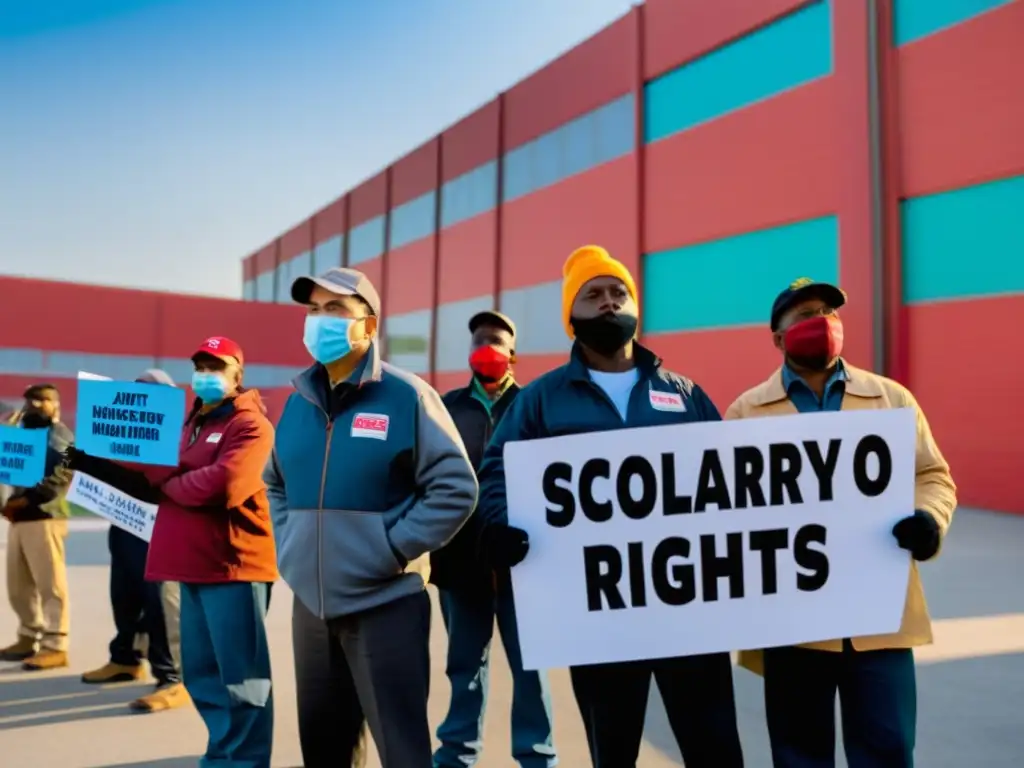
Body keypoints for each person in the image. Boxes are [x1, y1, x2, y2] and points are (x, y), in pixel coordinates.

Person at [475, 246, 745, 768]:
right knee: (613, 751)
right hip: (594, 614)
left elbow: (731, 480)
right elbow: (497, 470)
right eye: (592, 294)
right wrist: (501, 522)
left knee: (714, 748)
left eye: (617, 292)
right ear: (570, 318)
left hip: (687, 611)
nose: (607, 303)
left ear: (636, 307)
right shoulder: (541, 400)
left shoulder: (684, 395)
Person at [725, 277, 957, 768]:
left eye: (830, 312)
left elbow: (932, 475)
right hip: (792, 622)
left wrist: (928, 519)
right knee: (800, 755)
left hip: (881, 616)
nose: (823, 323)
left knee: (888, 750)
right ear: (778, 337)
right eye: (806, 314)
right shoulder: (746, 413)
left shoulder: (891, 400)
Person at [265, 267, 477, 768]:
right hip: (311, 609)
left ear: (369, 323)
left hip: (386, 606)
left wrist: (389, 549)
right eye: (314, 310)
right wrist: (290, 544)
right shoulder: (298, 404)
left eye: (335, 309)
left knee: (401, 749)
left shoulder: (407, 396)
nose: (321, 320)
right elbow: (274, 483)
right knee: (323, 749)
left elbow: (456, 487)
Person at [141, 338, 277, 767]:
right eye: (200, 365)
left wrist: (170, 483)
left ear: (238, 374)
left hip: (232, 566)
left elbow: (226, 484)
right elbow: (159, 470)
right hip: (192, 566)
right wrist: (171, 478)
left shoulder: (250, 424)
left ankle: (247, 761)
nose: (206, 374)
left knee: (242, 680)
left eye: (216, 367)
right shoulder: (189, 423)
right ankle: (222, 755)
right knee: (202, 675)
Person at [431, 311, 556, 768]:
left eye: (496, 341)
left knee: (531, 669)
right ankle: (456, 755)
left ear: (513, 354)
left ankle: (537, 756)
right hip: (461, 562)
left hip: (524, 563)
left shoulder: (534, 406)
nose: (487, 347)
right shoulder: (446, 408)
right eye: (479, 340)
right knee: (465, 668)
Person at [66, 368, 188, 713]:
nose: (142, 397)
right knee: (124, 594)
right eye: (138, 390)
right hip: (123, 524)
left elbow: (156, 481)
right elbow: (115, 474)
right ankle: (125, 658)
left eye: (149, 391)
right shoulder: (118, 434)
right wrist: (83, 460)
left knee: (161, 602)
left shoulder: (178, 436)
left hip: (159, 527)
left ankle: (173, 677)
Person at [0, 383, 75, 670]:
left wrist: (26, 501)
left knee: (50, 584)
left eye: (42, 400)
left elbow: (59, 477)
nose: (34, 405)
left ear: (55, 404)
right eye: (30, 400)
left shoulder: (60, 436)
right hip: (19, 519)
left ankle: (56, 644)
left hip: (45, 517)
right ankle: (28, 634)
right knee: (18, 585)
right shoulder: (24, 434)